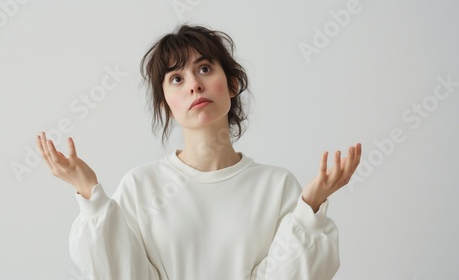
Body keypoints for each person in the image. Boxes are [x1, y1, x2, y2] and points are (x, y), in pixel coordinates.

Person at [36, 24, 362, 280]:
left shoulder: (276, 186)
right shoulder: (141, 186)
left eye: (204, 69)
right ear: (167, 104)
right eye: (176, 78)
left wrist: (311, 207)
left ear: (232, 84)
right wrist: (89, 195)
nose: (193, 85)